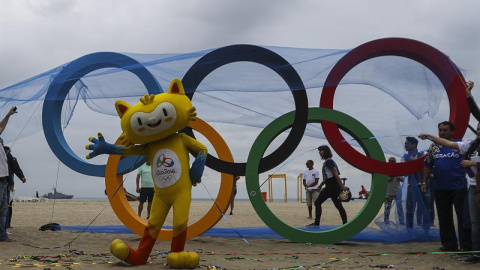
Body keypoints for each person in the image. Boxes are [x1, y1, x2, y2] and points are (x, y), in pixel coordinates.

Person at [418, 121, 472, 252]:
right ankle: (449, 245)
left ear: (452, 132)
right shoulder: (433, 147)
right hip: (440, 187)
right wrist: (424, 182)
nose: (442, 133)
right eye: (440, 130)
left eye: (445, 130)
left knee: (463, 217)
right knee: (444, 217)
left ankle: (466, 245)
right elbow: (427, 165)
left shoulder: (460, 145)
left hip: (459, 186)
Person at [308, 145, 347, 226]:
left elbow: (336, 174)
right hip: (332, 185)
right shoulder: (328, 161)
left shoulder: (329, 161)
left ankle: (316, 223)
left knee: (317, 202)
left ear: (326, 151)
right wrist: (321, 185)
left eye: (321, 150)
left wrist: (342, 186)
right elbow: (328, 176)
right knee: (338, 206)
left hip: (332, 185)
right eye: (319, 151)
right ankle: (345, 224)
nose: (319, 152)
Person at [402, 136, 431, 230]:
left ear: (414, 144)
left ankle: (426, 228)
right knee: (410, 208)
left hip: (424, 184)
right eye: (405, 143)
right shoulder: (404, 157)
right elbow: (403, 170)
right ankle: (409, 229)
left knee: (426, 207)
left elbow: (428, 165)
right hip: (411, 185)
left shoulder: (423, 154)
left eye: (407, 143)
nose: (405, 145)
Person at [0, 106, 17, 242]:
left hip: (4, 180)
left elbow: (1, 127)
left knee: (4, 210)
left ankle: (2, 235)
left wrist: (8, 115)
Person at [4, 146, 26, 229]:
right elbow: (12, 169)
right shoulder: (8, 157)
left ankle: (7, 224)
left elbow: (15, 168)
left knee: (8, 204)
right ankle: (6, 225)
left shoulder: (11, 158)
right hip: (7, 183)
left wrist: (21, 177)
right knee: (6, 204)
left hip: (9, 182)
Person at [384, 157, 404, 225]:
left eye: (393, 161)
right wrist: (387, 179)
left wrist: (399, 177)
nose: (392, 162)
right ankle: (386, 221)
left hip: (397, 191)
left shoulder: (398, 169)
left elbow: (403, 179)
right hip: (388, 191)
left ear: (395, 162)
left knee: (399, 208)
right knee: (387, 207)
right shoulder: (385, 170)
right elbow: (382, 180)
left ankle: (401, 221)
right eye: (390, 161)